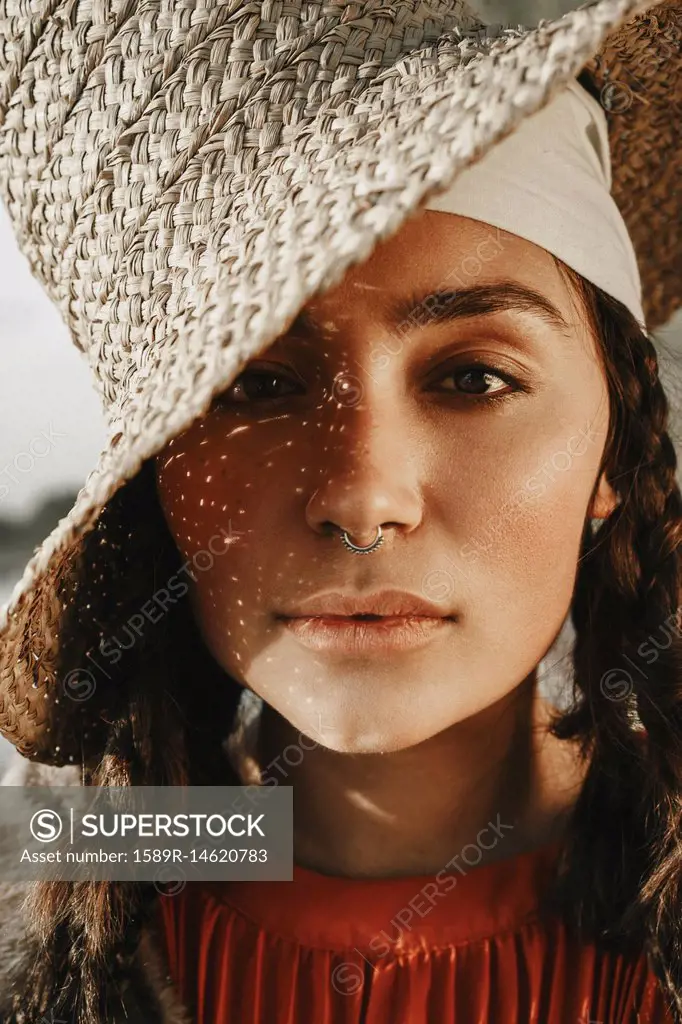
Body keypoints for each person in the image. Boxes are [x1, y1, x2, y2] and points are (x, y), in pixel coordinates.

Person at [0, 0, 680, 1021]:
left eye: (474, 379)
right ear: (155, 470)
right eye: (259, 385)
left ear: (611, 453)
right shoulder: (45, 879)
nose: (362, 498)